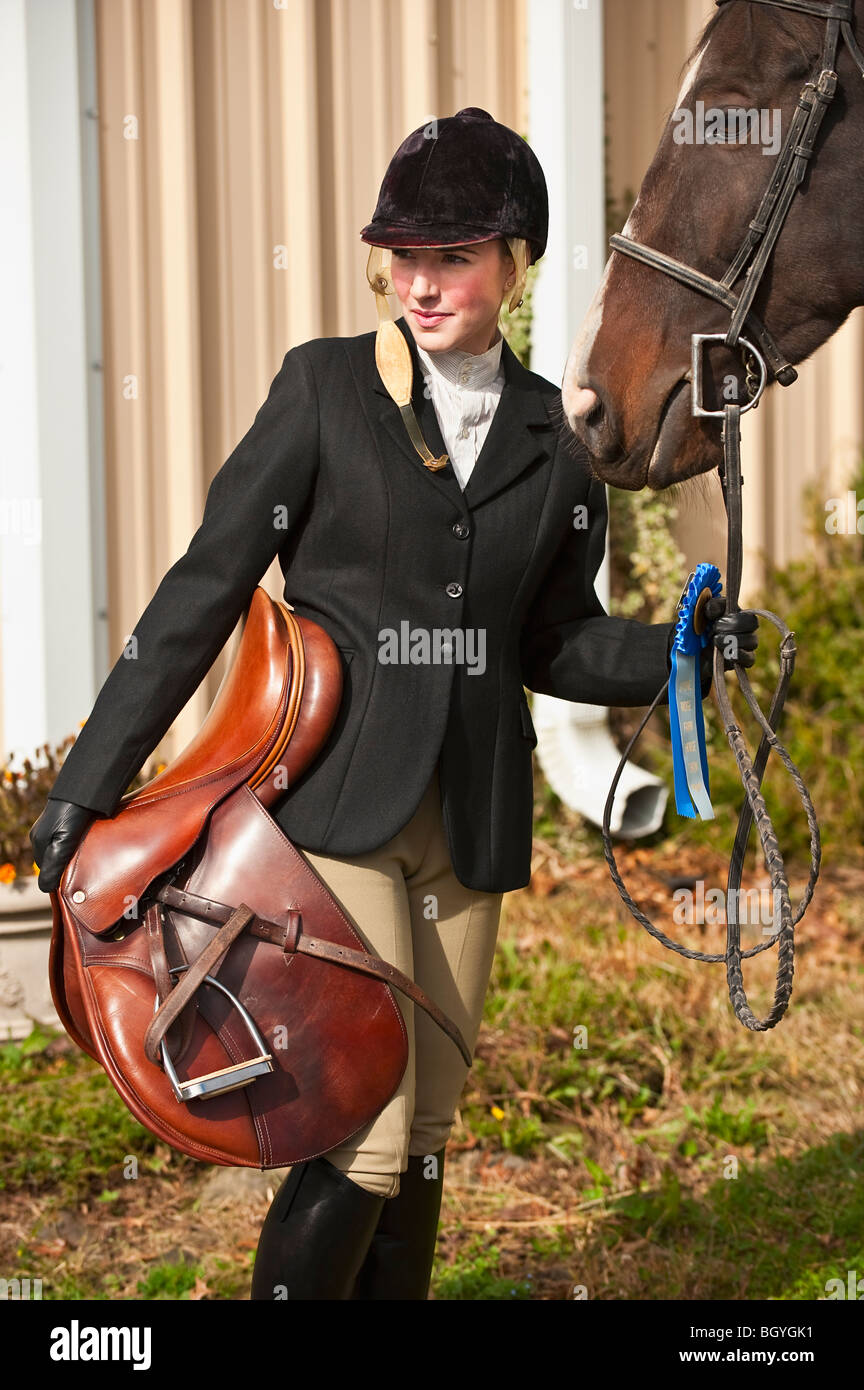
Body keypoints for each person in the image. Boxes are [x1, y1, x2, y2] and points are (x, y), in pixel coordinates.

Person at [30, 108, 758, 1301]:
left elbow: (555, 638)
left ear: (511, 261)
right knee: (361, 1125)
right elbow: (202, 591)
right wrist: (86, 782)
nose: (422, 285)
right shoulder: (320, 391)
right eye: (405, 258)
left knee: (423, 1138)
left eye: (453, 257)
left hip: (469, 820)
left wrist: (687, 650)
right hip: (330, 815)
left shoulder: (559, 437)